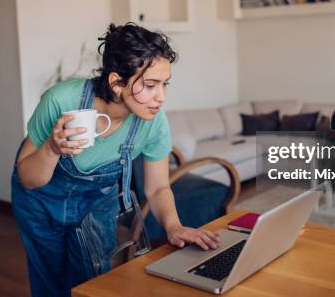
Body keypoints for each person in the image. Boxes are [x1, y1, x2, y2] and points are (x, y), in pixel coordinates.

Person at [11, 23, 220, 296]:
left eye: (165, 84)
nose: (162, 97)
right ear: (117, 83)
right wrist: (52, 148)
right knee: (52, 285)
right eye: (150, 85)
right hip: (41, 204)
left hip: (98, 205)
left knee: (95, 284)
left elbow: (157, 187)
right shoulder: (61, 100)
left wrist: (174, 226)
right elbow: (27, 179)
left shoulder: (153, 123)